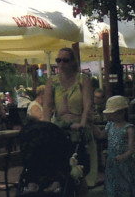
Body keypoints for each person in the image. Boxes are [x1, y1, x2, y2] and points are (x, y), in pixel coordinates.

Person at [41, 47, 97, 188]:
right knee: (59, 166)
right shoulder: (52, 82)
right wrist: (47, 125)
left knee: (79, 170)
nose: (61, 64)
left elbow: (87, 103)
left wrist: (83, 123)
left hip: (78, 128)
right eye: (58, 60)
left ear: (73, 62)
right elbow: (47, 106)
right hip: (60, 128)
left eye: (65, 60)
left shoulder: (82, 80)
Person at [94, 95, 135, 197]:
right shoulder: (109, 125)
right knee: (112, 185)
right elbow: (101, 135)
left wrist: (123, 156)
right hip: (112, 162)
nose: (109, 116)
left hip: (124, 163)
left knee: (125, 185)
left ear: (121, 113)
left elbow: (131, 148)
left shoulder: (129, 128)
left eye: (112, 114)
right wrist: (91, 124)